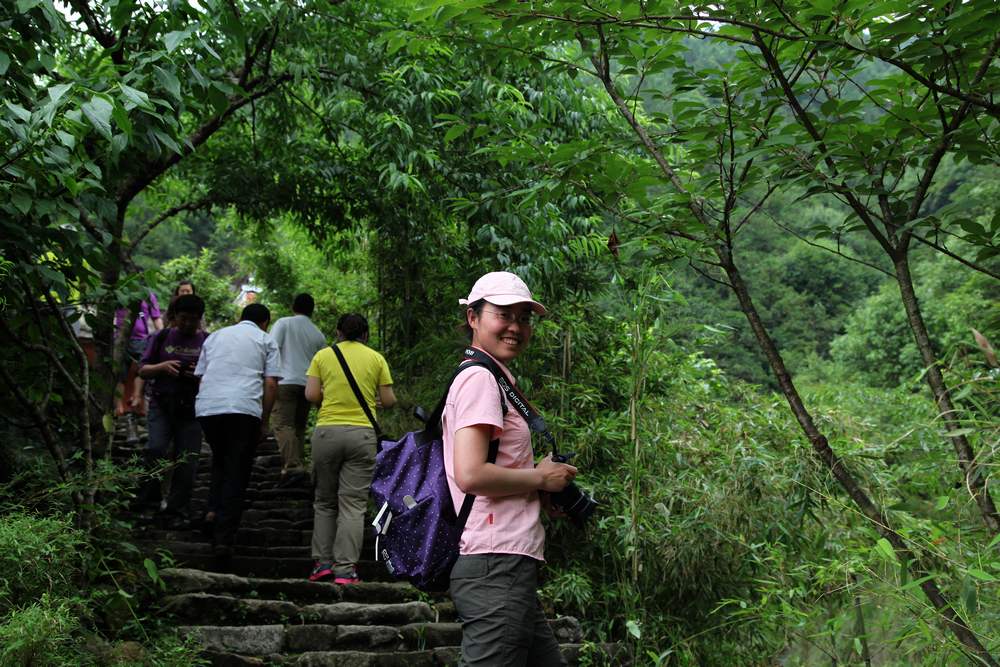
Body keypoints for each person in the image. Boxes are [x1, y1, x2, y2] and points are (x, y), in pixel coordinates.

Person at [444, 271, 577, 666]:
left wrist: (536, 488)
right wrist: (539, 477)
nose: (516, 327)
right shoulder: (480, 380)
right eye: (503, 314)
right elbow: (470, 474)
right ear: (473, 318)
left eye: (524, 317)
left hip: (505, 560)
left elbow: (490, 466)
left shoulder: (497, 380)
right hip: (494, 562)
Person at [304, 313, 395, 583]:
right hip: (361, 436)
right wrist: (373, 400)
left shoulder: (323, 356)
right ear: (365, 334)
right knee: (353, 505)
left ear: (338, 332)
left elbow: (311, 395)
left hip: (327, 433)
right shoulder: (375, 358)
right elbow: (389, 400)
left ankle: (322, 565)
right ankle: (346, 569)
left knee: (324, 501)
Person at [194, 303, 282, 567]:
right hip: (243, 408)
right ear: (265, 322)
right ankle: (224, 538)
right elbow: (270, 383)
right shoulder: (265, 340)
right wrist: (264, 421)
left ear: (239, 318)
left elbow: (201, 376)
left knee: (220, 458)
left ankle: (212, 510)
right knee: (237, 470)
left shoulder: (216, 336)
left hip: (208, 407)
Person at [135, 294, 208, 527]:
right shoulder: (161, 337)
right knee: (155, 449)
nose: (188, 324)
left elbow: (218, 375)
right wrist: (163, 367)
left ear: (200, 319)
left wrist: (199, 374)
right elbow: (142, 370)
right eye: (183, 318)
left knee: (188, 461)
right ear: (174, 317)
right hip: (162, 404)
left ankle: (177, 510)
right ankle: (148, 504)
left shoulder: (208, 341)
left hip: (194, 408)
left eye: (193, 320)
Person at [270, 293, 327, 487]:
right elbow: (322, 362)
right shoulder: (317, 333)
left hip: (285, 381)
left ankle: (292, 466)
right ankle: (298, 465)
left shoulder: (284, 323)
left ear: (293, 306)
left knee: (283, 424)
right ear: (312, 310)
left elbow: (272, 348)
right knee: (299, 426)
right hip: (308, 384)